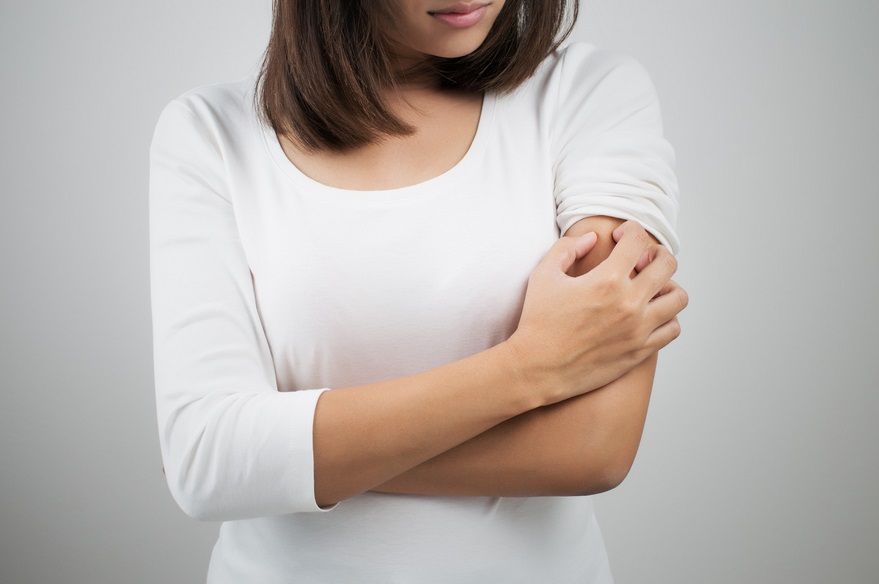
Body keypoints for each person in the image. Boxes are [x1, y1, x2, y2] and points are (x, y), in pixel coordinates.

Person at [148, 0, 689, 582]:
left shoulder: (585, 93)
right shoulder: (211, 133)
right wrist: (530, 367)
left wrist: (280, 460)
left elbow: (592, 446)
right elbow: (208, 462)